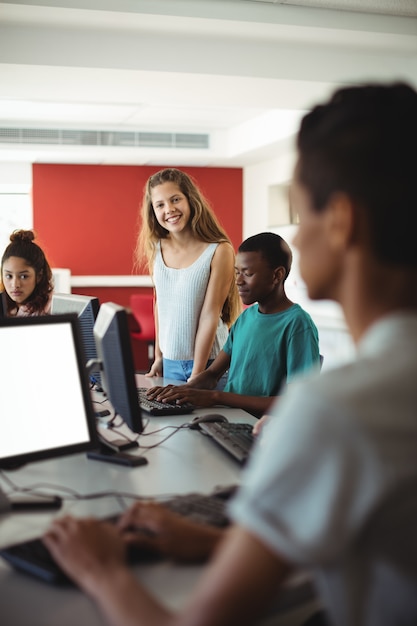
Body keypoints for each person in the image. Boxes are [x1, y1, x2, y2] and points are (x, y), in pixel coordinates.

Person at [43, 82, 417, 626]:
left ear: (340, 222)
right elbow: (366, 547)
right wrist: (213, 540)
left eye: (300, 210)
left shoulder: (335, 411)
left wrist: (101, 569)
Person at [147, 231, 320, 417]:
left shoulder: (298, 324)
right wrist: (183, 391)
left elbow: (298, 402)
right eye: (237, 272)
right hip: (229, 418)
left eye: (248, 273)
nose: (238, 281)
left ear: (277, 275)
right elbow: (213, 374)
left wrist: (216, 397)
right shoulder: (246, 317)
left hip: (260, 429)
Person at [134, 168, 241, 383]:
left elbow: (210, 315)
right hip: (171, 362)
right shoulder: (156, 248)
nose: (169, 209)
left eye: (175, 199)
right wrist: (159, 356)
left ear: (191, 200)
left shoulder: (219, 250)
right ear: (152, 211)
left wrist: (197, 374)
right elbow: (160, 305)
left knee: (211, 418)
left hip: (212, 364)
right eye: (160, 205)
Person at [0, 229, 53, 316]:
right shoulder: (5, 306)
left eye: (23, 276)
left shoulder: (53, 309)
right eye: (9, 276)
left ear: (39, 276)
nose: (15, 285)